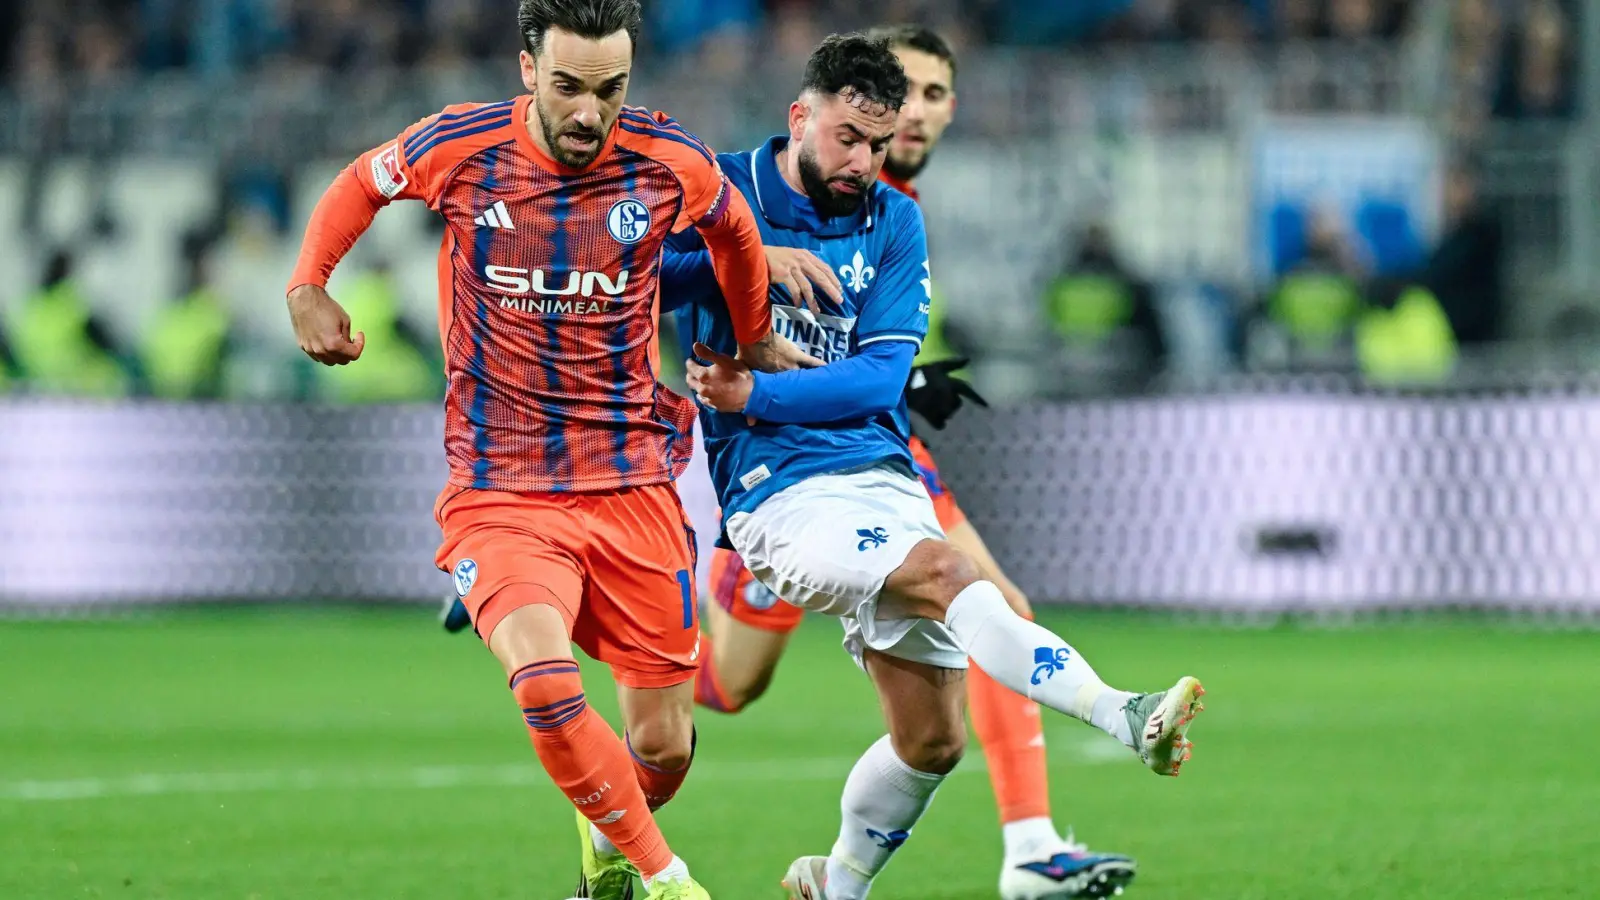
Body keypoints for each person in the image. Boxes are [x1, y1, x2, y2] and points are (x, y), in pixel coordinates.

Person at [283, 2, 805, 898]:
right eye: (567, 86)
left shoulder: (666, 159)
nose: (588, 113)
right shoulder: (459, 147)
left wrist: (754, 339)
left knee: (661, 746)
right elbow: (360, 184)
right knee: (544, 681)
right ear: (528, 69)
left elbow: (734, 232)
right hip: (500, 488)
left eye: (610, 90)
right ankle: (671, 881)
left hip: (634, 486)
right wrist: (306, 286)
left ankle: (602, 838)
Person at [672, 32, 1206, 900]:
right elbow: (630, 271)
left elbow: (879, 376)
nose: (866, 159)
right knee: (939, 585)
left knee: (932, 740)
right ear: (800, 116)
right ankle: (1122, 716)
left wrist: (758, 393)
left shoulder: (896, 216)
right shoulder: (724, 187)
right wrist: (742, 259)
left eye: (881, 141)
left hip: (880, 467)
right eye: (850, 137)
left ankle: (837, 883)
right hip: (779, 488)